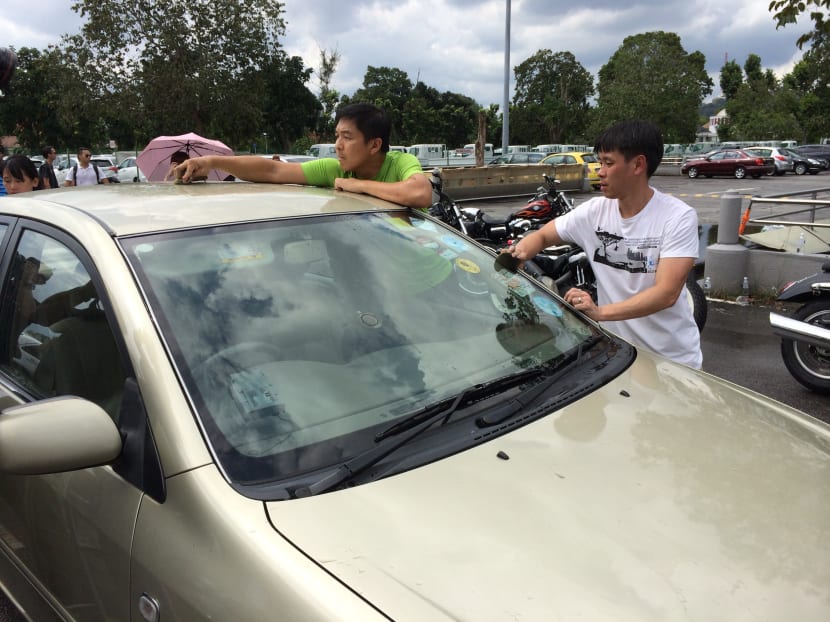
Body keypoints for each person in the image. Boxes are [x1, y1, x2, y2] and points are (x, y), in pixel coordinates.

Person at [508, 119, 702, 368]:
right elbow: (543, 235)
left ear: (638, 165)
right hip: (617, 356)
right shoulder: (595, 212)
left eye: (608, 163)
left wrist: (599, 313)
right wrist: (523, 251)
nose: (600, 171)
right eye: (600, 162)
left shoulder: (677, 217)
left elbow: (666, 294)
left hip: (671, 361)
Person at [175, 103, 432, 209]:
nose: (338, 145)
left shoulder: (400, 163)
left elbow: (420, 194)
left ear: (375, 145)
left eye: (348, 137)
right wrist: (210, 161)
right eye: (337, 136)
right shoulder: (333, 170)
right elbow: (272, 170)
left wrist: (357, 185)